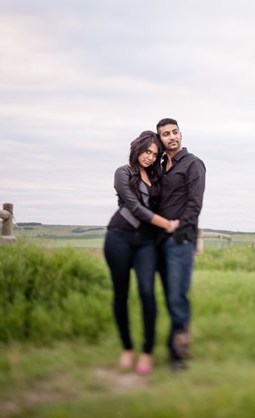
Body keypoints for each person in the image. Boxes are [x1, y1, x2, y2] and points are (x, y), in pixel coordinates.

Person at [103, 130, 179, 375]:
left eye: (154, 154)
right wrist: (167, 224)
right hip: (119, 238)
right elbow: (134, 208)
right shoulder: (122, 173)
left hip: (146, 242)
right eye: (147, 151)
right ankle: (127, 348)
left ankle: (146, 351)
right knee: (121, 294)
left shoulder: (156, 176)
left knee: (147, 293)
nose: (149, 157)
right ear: (137, 148)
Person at [155, 118, 206, 371]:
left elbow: (194, 205)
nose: (171, 137)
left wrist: (178, 232)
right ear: (160, 139)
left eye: (175, 132)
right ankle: (171, 347)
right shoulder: (161, 166)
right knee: (168, 296)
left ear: (181, 135)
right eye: (166, 134)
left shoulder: (193, 164)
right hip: (159, 242)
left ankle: (178, 355)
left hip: (180, 241)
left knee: (177, 296)